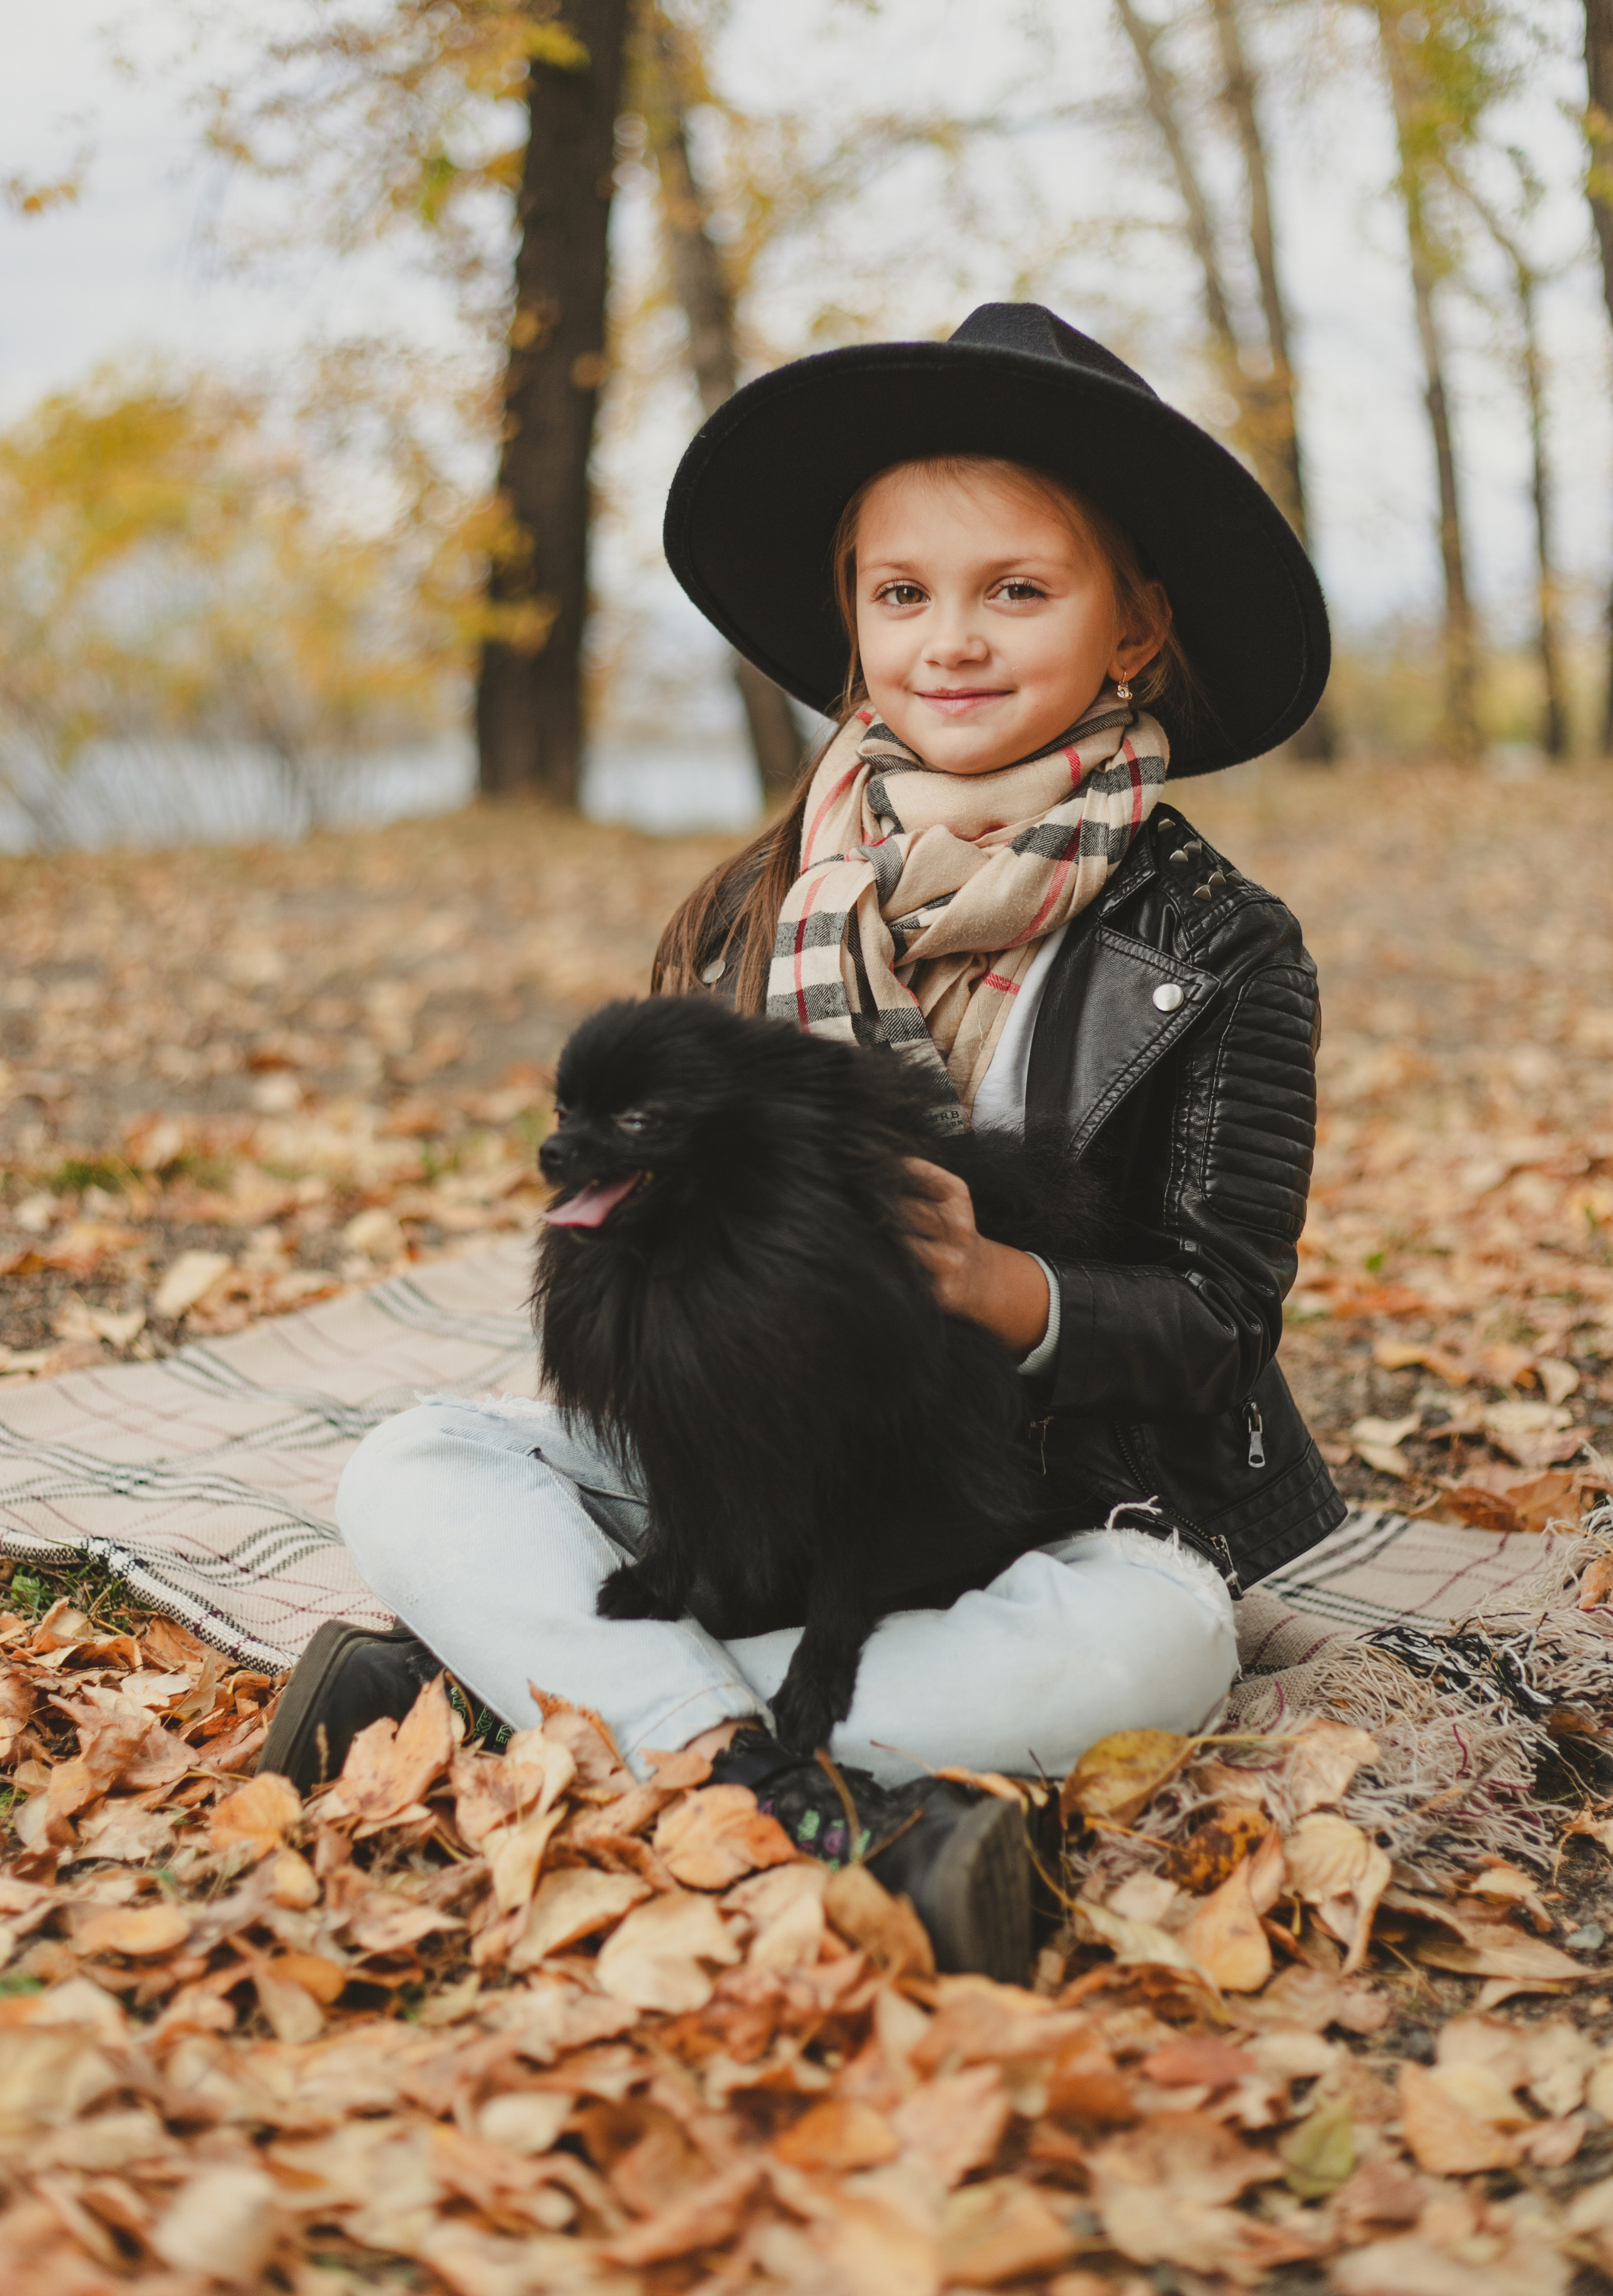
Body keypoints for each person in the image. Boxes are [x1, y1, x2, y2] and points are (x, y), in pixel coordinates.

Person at [263, 303, 1343, 1982]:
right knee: (413, 1467)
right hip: (757, 1471)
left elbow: (1217, 1324)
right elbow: (641, 1225)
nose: (951, 641)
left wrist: (1006, 1291)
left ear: (1137, 628)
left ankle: (498, 1712)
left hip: (1051, 1497)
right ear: (850, 625)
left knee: (1151, 1646)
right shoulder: (757, 905)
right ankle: (805, 1797)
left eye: (1020, 591)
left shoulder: (1219, 949)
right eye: (902, 593)